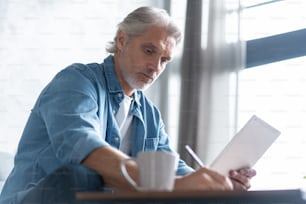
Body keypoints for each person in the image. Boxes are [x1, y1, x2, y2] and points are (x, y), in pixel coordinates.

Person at [0, 6, 256, 204]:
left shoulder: (149, 113)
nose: (156, 67)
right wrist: (180, 186)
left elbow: (172, 169)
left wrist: (217, 183)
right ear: (122, 40)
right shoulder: (76, 81)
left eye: (164, 60)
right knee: (84, 176)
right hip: (38, 198)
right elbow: (84, 149)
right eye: (149, 51)